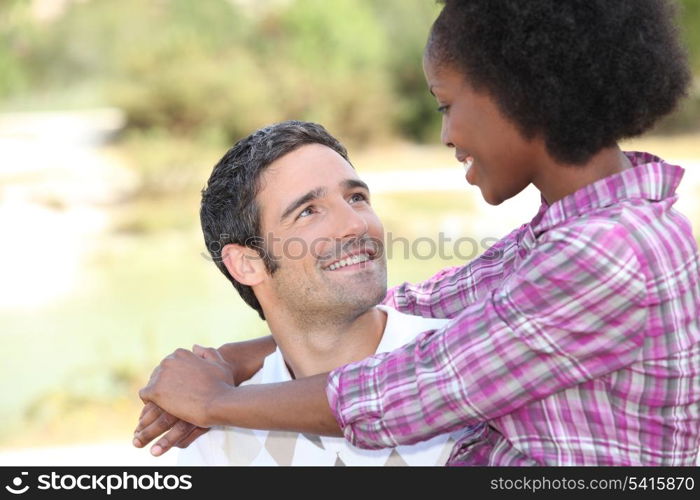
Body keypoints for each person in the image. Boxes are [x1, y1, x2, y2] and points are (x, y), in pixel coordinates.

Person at [135, 0, 699, 465]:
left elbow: (407, 395)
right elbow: (427, 301)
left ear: (519, 94)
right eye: (309, 210)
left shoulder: (606, 252)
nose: (448, 134)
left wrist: (215, 402)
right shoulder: (580, 228)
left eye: (447, 105)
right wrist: (237, 357)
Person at [162, 120, 472, 465]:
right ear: (247, 263)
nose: (355, 224)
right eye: (308, 211)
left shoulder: (472, 368)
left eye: (356, 198)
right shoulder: (220, 439)